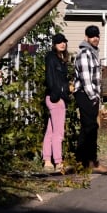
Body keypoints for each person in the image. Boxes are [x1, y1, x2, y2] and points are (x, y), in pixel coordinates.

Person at [73, 25, 107, 173]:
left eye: (97, 36)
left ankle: (81, 161)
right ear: (86, 37)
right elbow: (86, 79)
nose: (95, 38)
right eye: (92, 36)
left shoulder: (93, 53)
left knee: (87, 128)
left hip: (92, 95)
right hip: (85, 94)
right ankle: (92, 162)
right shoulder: (84, 54)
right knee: (91, 128)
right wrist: (93, 97)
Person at [42, 33, 70, 173]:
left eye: (64, 41)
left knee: (51, 130)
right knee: (59, 133)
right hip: (56, 98)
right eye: (59, 42)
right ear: (54, 44)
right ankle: (58, 162)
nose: (62, 44)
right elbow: (50, 78)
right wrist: (57, 95)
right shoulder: (52, 58)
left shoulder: (60, 59)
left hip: (54, 97)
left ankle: (47, 160)